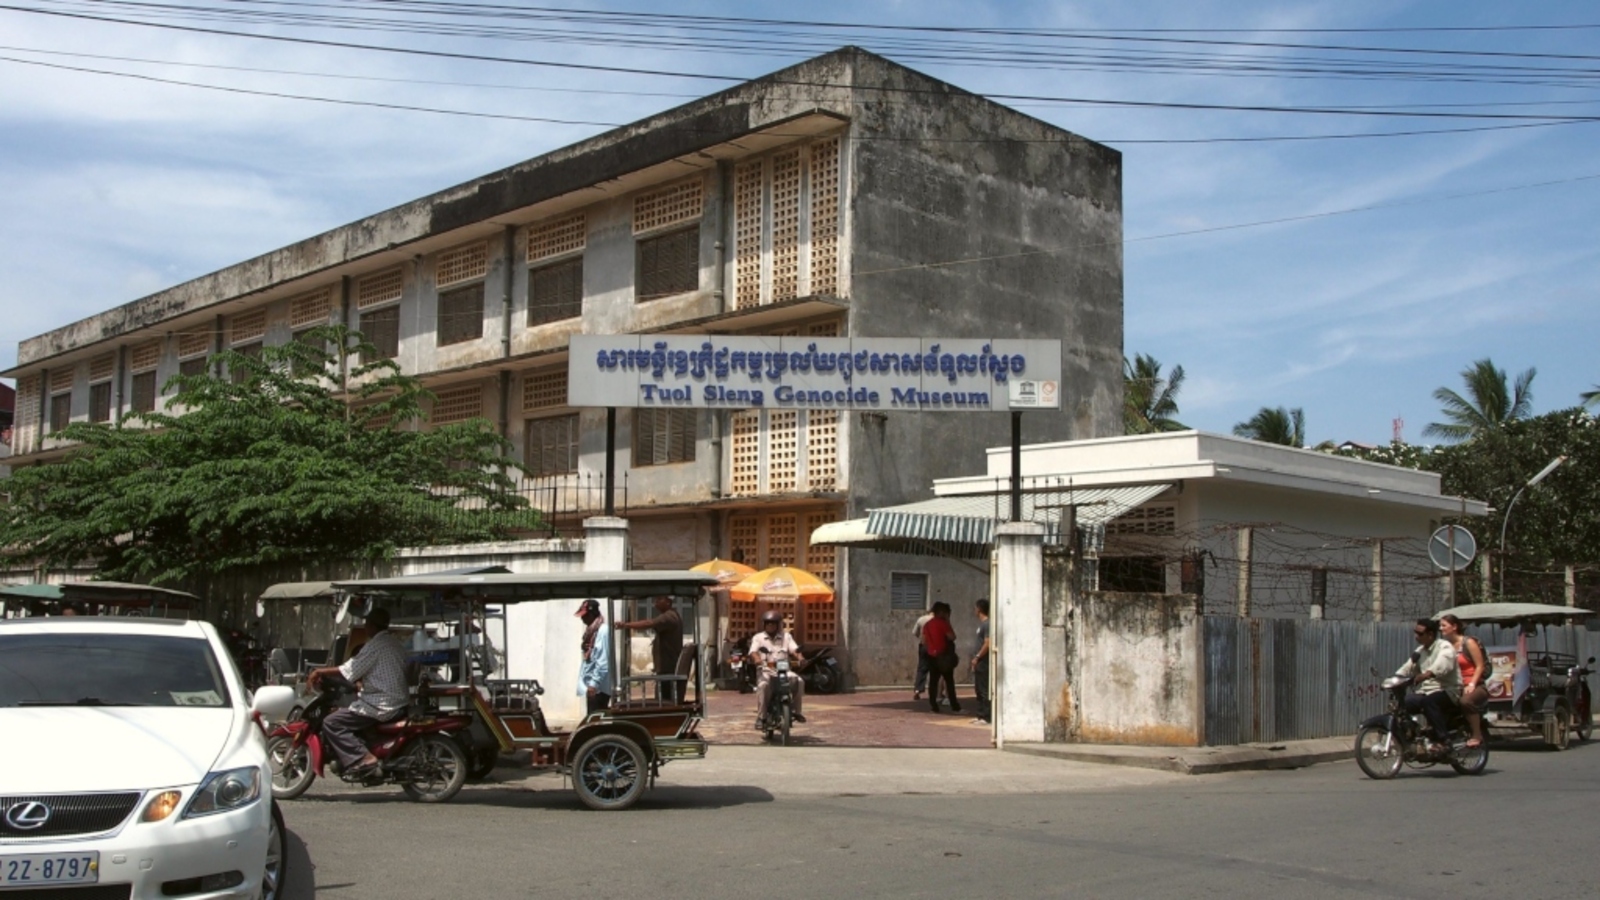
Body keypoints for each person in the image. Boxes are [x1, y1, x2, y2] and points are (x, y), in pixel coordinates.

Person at [307, 607, 409, 777]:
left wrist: (320, 672)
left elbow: (350, 669)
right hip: (397, 701)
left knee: (332, 722)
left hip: (382, 704)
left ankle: (364, 757)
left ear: (371, 625)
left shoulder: (374, 646)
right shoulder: (394, 643)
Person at [1395, 617, 1461, 750]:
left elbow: (1443, 665)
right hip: (1426, 691)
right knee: (1402, 704)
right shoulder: (1420, 651)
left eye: (1420, 634)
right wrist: (1395, 678)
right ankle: (1414, 735)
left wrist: (1427, 674)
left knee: (1429, 702)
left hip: (1449, 690)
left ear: (1430, 634)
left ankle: (1443, 739)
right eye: (1415, 632)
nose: (1416, 637)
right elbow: (1408, 666)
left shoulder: (1444, 646)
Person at [618, 595, 685, 703]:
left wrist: (626, 625)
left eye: (659, 599)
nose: (655, 602)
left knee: (665, 702)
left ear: (668, 601)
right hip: (665, 669)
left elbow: (649, 623)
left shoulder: (669, 617)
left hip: (668, 669)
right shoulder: (670, 615)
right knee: (662, 700)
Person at [749, 610, 806, 728]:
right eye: (768, 623)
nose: (770, 625)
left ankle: (797, 711)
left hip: (784, 670)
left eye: (773, 623)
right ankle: (762, 717)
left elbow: (794, 650)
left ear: (778, 624)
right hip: (766, 670)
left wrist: (800, 658)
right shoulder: (758, 637)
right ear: (764, 624)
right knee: (763, 686)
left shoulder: (786, 636)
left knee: (799, 681)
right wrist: (757, 660)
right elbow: (753, 652)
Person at [1439, 613, 1489, 747]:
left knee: (1466, 701)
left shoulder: (1468, 642)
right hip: (1454, 686)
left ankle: (1477, 735)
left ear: (1454, 626)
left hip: (1475, 685)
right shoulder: (1445, 646)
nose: (1441, 628)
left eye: (1444, 625)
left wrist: (1472, 683)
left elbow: (1480, 666)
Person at [922, 602, 961, 714]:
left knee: (933, 682)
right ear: (942, 612)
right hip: (943, 656)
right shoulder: (943, 623)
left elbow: (923, 640)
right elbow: (952, 637)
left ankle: (933, 706)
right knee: (949, 681)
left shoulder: (927, 624)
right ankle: (955, 706)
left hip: (931, 655)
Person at [576, 599, 613, 714]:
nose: (582, 619)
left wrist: (594, 684)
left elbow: (603, 660)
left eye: (585, 616)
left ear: (592, 614)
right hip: (591, 684)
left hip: (599, 687)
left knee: (596, 718)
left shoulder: (603, 631)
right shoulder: (591, 631)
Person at [969, 599, 991, 724]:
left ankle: (986, 716)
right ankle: (980, 715)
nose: (974, 610)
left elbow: (988, 643)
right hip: (979, 661)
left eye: (975, 608)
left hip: (983, 661)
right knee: (978, 688)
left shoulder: (987, 624)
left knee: (983, 689)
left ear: (979, 609)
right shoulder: (982, 625)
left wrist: (978, 656)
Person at [911, 607, 934, 701]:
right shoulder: (938, 620)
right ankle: (935, 692)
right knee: (935, 669)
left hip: (923, 645)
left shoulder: (921, 619)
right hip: (934, 646)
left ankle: (917, 689)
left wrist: (921, 637)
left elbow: (914, 632)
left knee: (921, 667)